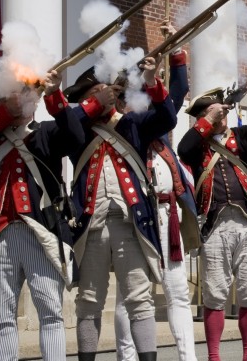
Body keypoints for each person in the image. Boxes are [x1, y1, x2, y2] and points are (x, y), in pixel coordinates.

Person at [0, 70, 84, 361]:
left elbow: (75, 137)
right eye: (0, 101)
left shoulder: (46, 133)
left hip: (40, 232)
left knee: (51, 312)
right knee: (2, 316)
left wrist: (54, 94)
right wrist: (5, 113)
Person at [66, 55, 176, 361]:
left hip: (131, 223)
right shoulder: (76, 130)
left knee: (140, 299)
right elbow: (65, 125)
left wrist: (152, 81)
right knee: (89, 301)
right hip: (92, 226)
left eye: (106, 92)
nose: (102, 98)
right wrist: (91, 106)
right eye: (94, 95)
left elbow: (167, 118)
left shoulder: (132, 124)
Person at [114, 38, 199, 361]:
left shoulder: (157, 119)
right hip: (137, 217)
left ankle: (187, 357)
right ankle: (127, 356)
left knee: (177, 293)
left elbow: (176, 92)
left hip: (167, 215)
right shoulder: (125, 126)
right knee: (130, 295)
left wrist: (175, 51)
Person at [177, 79, 247, 361]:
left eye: (223, 112)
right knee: (215, 294)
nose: (222, 118)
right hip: (215, 225)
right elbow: (184, 149)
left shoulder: (242, 137)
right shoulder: (197, 145)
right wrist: (207, 121)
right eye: (216, 113)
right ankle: (214, 356)